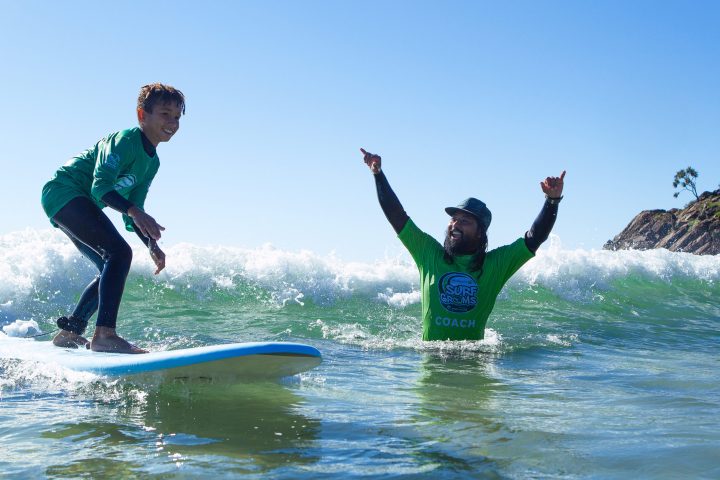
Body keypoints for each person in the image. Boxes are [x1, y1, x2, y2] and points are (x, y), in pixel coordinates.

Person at [361, 148, 565, 341]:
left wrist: (552, 201)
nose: (455, 224)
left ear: (480, 233)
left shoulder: (495, 265)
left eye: (465, 221)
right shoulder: (429, 254)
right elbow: (397, 216)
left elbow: (533, 239)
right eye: (453, 219)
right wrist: (378, 174)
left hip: (472, 366)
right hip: (432, 364)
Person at [41, 83, 185, 354]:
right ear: (143, 115)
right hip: (64, 192)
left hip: (75, 202)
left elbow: (134, 209)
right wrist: (134, 211)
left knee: (109, 266)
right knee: (118, 253)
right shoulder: (124, 140)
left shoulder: (151, 162)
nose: (173, 123)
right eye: (165, 114)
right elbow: (101, 188)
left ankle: (69, 332)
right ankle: (105, 335)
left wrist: (151, 245)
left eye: (177, 117)